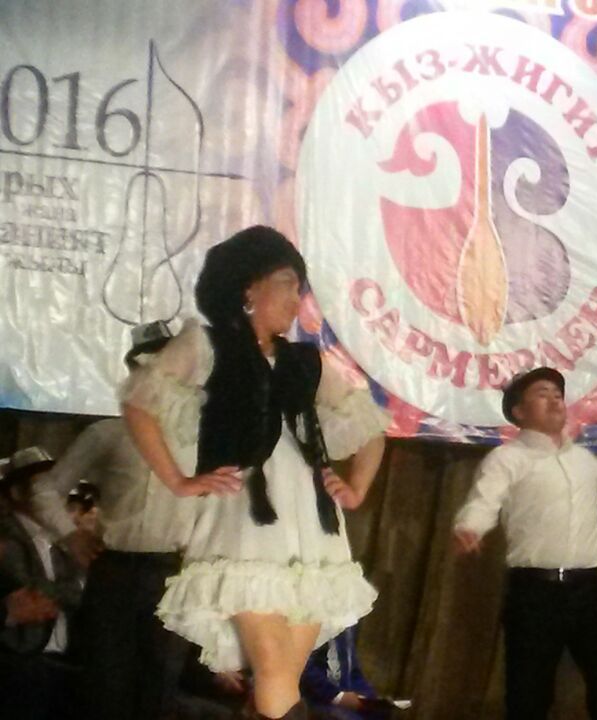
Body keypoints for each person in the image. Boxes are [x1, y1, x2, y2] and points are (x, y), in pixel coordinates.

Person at [122, 225, 389, 719]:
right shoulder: (206, 344)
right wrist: (179, 481)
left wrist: (355, 488)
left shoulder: (306, 361)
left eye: (299, 287)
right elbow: (140, 403)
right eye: (286, 282)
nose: (296, 297)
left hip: (313, 529)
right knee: (273, 669)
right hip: (245, 522)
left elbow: (371, 427)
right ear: (248, 288)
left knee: (282, 672)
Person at [453, 366, 597, 720]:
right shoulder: (507, 458)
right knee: (528, 695)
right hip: (536, 593)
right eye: (542, 394)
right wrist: (470, 528)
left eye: (558, 394)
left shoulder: (582, 459)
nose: (554, 400)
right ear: (519, 411)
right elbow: (484, 501)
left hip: (591, 591)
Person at [25, 321, 204, 719]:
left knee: (161, 685)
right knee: (106, 683)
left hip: (175, 569)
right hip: (116, 568)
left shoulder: (202, 439)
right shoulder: (109, 433)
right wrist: (71, 536)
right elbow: (46, 489)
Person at [0, 447, 83, 720]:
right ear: (17, 492)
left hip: (61, 663)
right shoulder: (6, 537)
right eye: (43, 485)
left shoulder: (60, 541)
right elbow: (29, 592)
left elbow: (77, 593)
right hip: (20, 663)